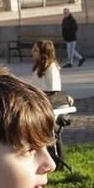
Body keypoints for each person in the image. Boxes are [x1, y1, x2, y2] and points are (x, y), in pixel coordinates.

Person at [31, 39, 68, 172]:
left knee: (52, 135)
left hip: (50, 105)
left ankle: (58, 163)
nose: (32, 52)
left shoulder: (51, 67)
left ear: (43, 53)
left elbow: (53, 91)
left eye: (35, 50)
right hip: (41, 102)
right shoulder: (39, 67)